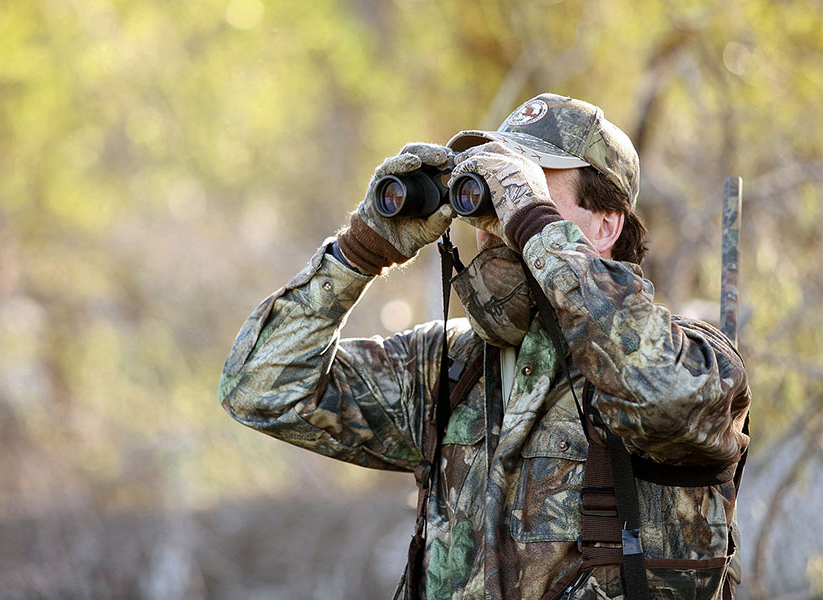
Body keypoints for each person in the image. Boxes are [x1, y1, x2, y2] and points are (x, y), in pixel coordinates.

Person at [219, 93, 750, 600]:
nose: (496, 218)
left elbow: (659, 389)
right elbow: (258, 387)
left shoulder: (698, 362)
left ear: (605, 224)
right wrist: (361, 250)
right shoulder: (445, 368)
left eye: (524, 186)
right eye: (491, 190)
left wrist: (531, 221)